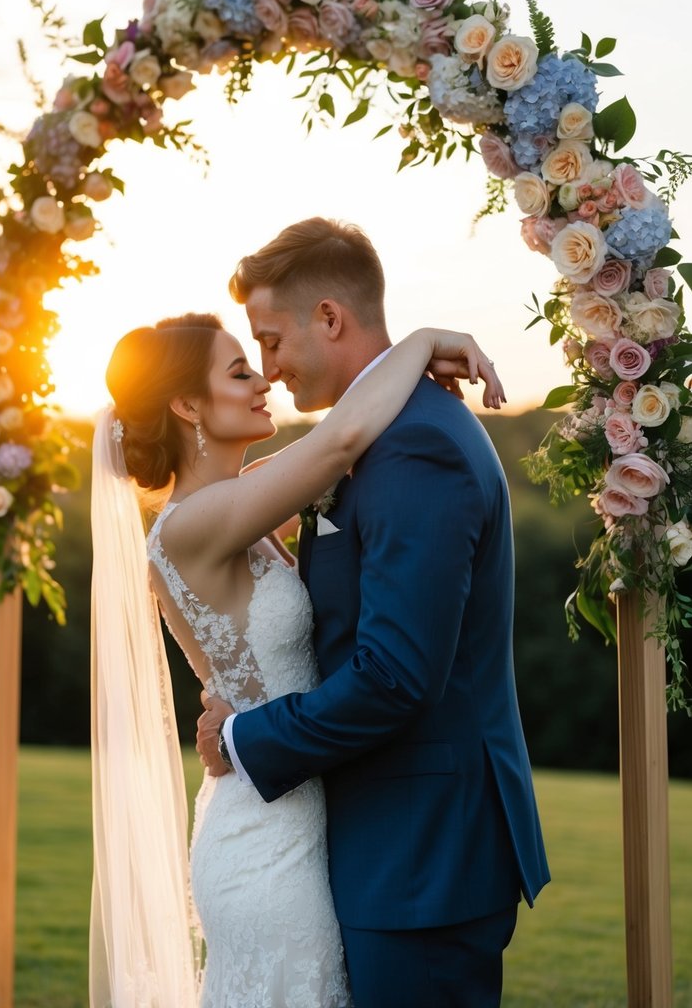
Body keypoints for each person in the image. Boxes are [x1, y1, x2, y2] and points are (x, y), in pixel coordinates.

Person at [89, 308, 505, 1007]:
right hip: (265, 841)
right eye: (239, 370)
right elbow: (341, 438)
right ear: (188, 404)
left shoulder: (239, 506)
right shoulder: (189, 525)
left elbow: (343, 437)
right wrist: (424, 340)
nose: (265, 378)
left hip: (301, 808)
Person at [196, 217, 551, 1008]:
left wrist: (243, 733)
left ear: (329, 317)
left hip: (423, 853)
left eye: (271, 340)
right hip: (394, 841)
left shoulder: (412, 448)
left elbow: (393, 677)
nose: (268, 369)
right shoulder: (375, 438)